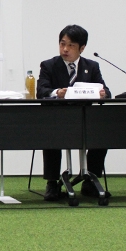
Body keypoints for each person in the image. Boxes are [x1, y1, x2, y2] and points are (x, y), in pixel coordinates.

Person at [36, 24, 111, 201]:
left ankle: (90, 182)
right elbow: (41, 90)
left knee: (103, 134)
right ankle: (52, 183)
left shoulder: (91, 66)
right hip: (57, 120)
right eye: (62, 44)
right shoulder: (49, 65)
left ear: (82, 48)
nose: (65, 49)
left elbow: (106, 90)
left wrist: (103, 93)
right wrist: (56, 93)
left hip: (85, 119)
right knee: (51, 135)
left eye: (71, 46)